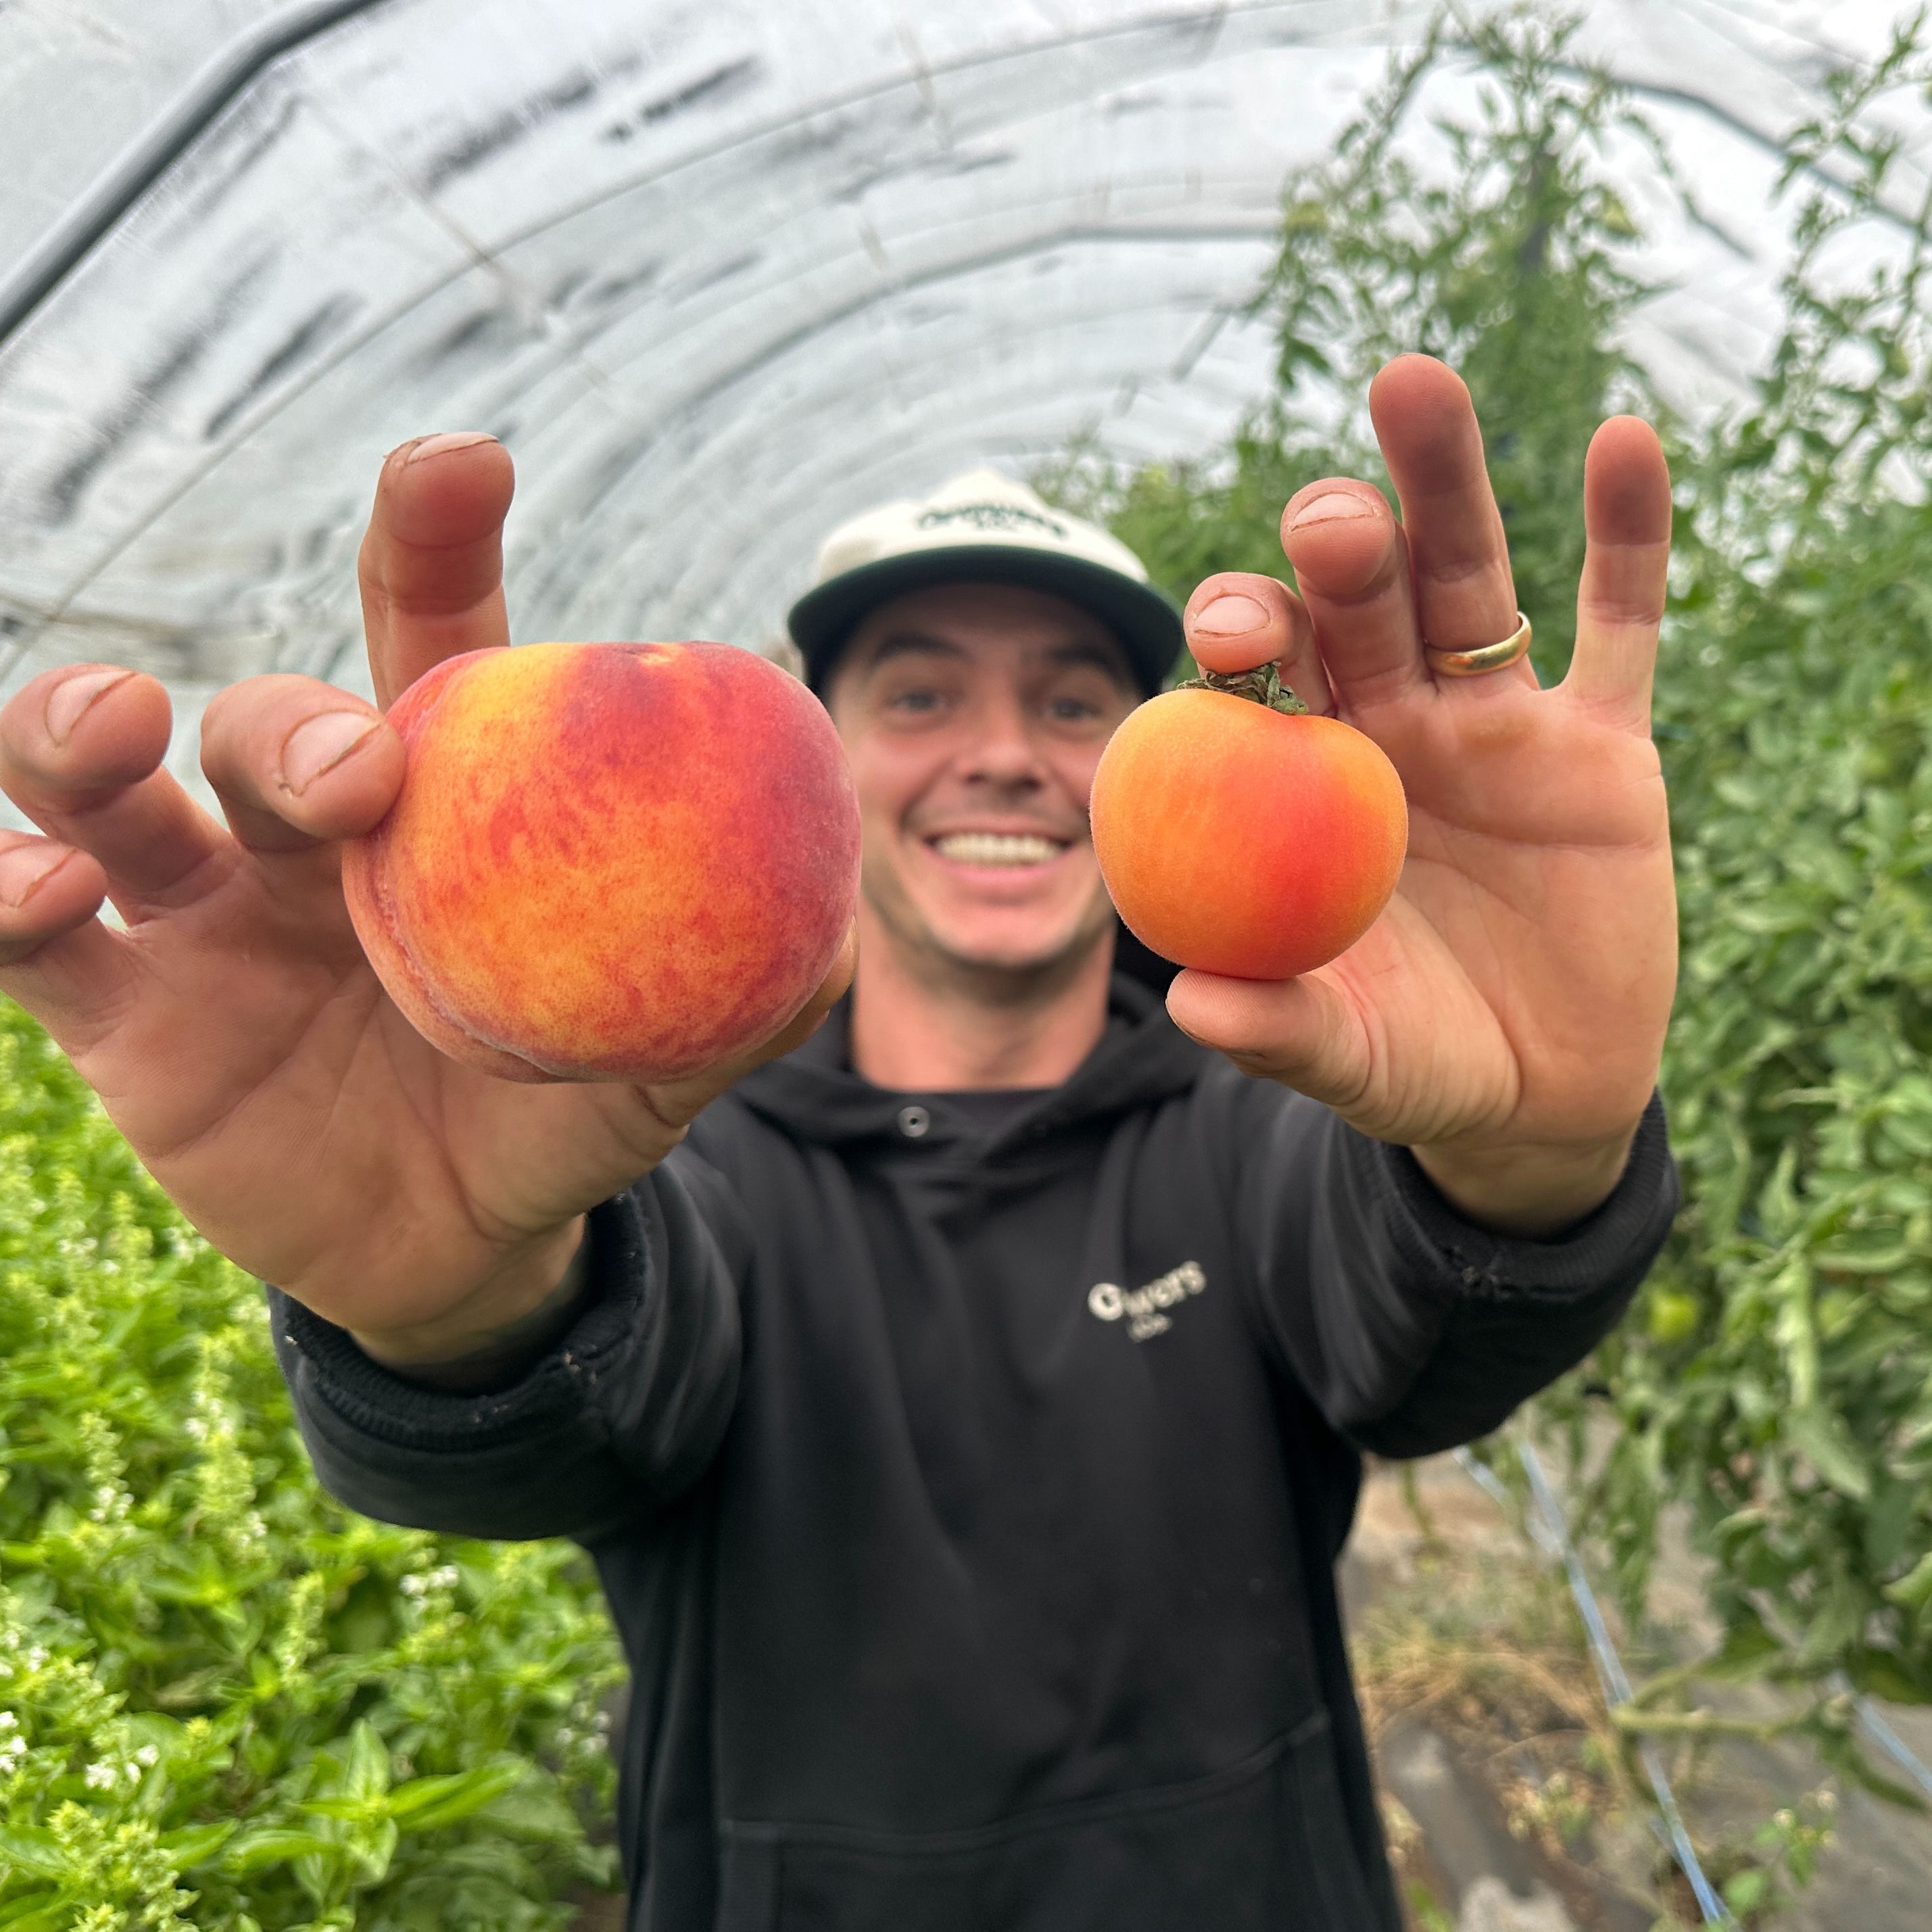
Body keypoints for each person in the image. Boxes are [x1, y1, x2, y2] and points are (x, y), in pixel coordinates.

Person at [0, 354, 1680, 1931]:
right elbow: (601, 1386)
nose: (1003, 753)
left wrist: (1539, 1151)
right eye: (920, 691)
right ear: (815, 761)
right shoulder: (681, 1180)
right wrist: (457, 1307)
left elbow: (1414, 1326)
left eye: (1077, 700)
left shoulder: (1238, 1129)